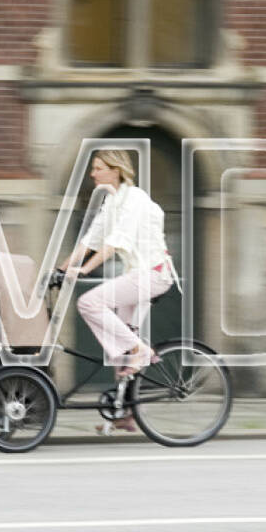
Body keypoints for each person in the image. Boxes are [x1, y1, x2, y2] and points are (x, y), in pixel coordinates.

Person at [62, 150, 175, 431]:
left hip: (154, 273)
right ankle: (127, 414)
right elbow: (91, 241)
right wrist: (61, 268)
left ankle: (140, 350)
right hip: (137, 274)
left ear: (115, 170)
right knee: (121, 338)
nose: (93, 174)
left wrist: (85, 270)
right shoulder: (111, 203)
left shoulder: (134, 199)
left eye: (98, 168)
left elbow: (115, 243)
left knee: (89, 303)